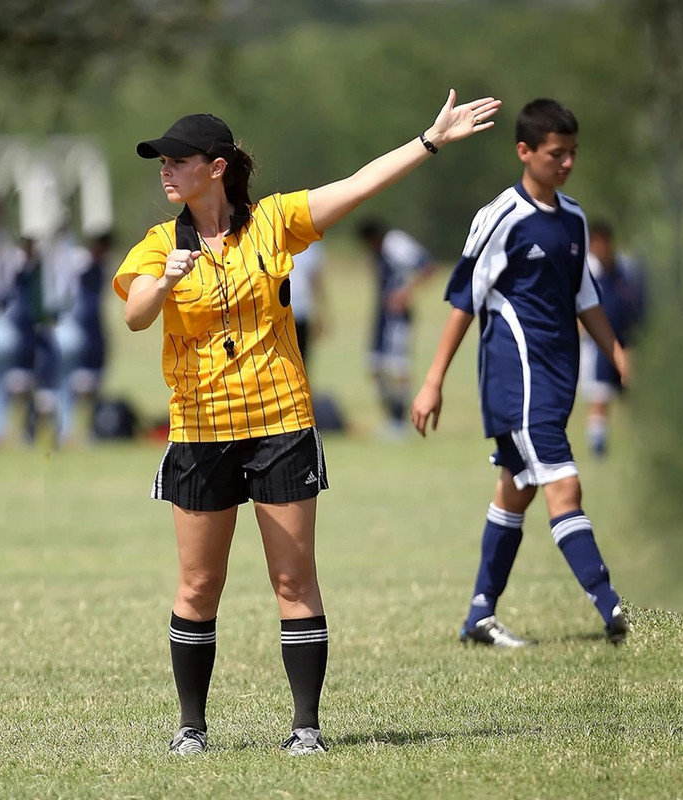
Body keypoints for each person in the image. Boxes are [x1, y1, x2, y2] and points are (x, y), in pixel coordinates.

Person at [112, 91, 502, 755]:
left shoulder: (274, 222)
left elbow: (357, 185)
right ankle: (190, 729)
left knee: (294, 580)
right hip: (200, 431)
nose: (165, 169)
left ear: (216, 167)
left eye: (177, 159)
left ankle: (306, 729)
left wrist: (429, 141)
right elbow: (136, 314)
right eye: (161, 160)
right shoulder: (158, 245)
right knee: (199, 584)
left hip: (280, 422)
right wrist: (167, 280)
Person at [411, 98, 630, 648]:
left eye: (573, 153)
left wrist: (619, 356)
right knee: (564, 484)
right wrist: (434, 379)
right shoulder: (499, 217)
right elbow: (463, 300)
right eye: (557, 153)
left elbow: (587, 299)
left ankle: (479, 616)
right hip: (517, 378)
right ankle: (615, 610)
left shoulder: (575, 218)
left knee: (516, 491)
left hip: (557, 378)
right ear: (524, 151)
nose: (567, 163)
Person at [357, 218, 436, 437]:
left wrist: (405, 293)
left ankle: (400, 421)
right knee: (374, 365)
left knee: (398, 367)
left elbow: (427, 267)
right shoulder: (377, 252)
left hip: (398, 318)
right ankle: (390, 418)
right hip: (382, 316)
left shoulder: (396, 244)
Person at [581, 219, 645, 457]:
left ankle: (642, 445)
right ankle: (598, 447)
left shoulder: (625, 268)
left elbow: (637, 303)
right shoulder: (586, 269)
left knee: (634, 395)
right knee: (599, 395)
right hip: (597, 345)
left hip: (627, 343)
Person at [287, 238, 327, 366]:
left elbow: (317, 282)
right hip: (275, 313)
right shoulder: (271, 234)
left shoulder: (313, 245)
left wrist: (320, 314)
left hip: (301, 311)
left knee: (301, 361)